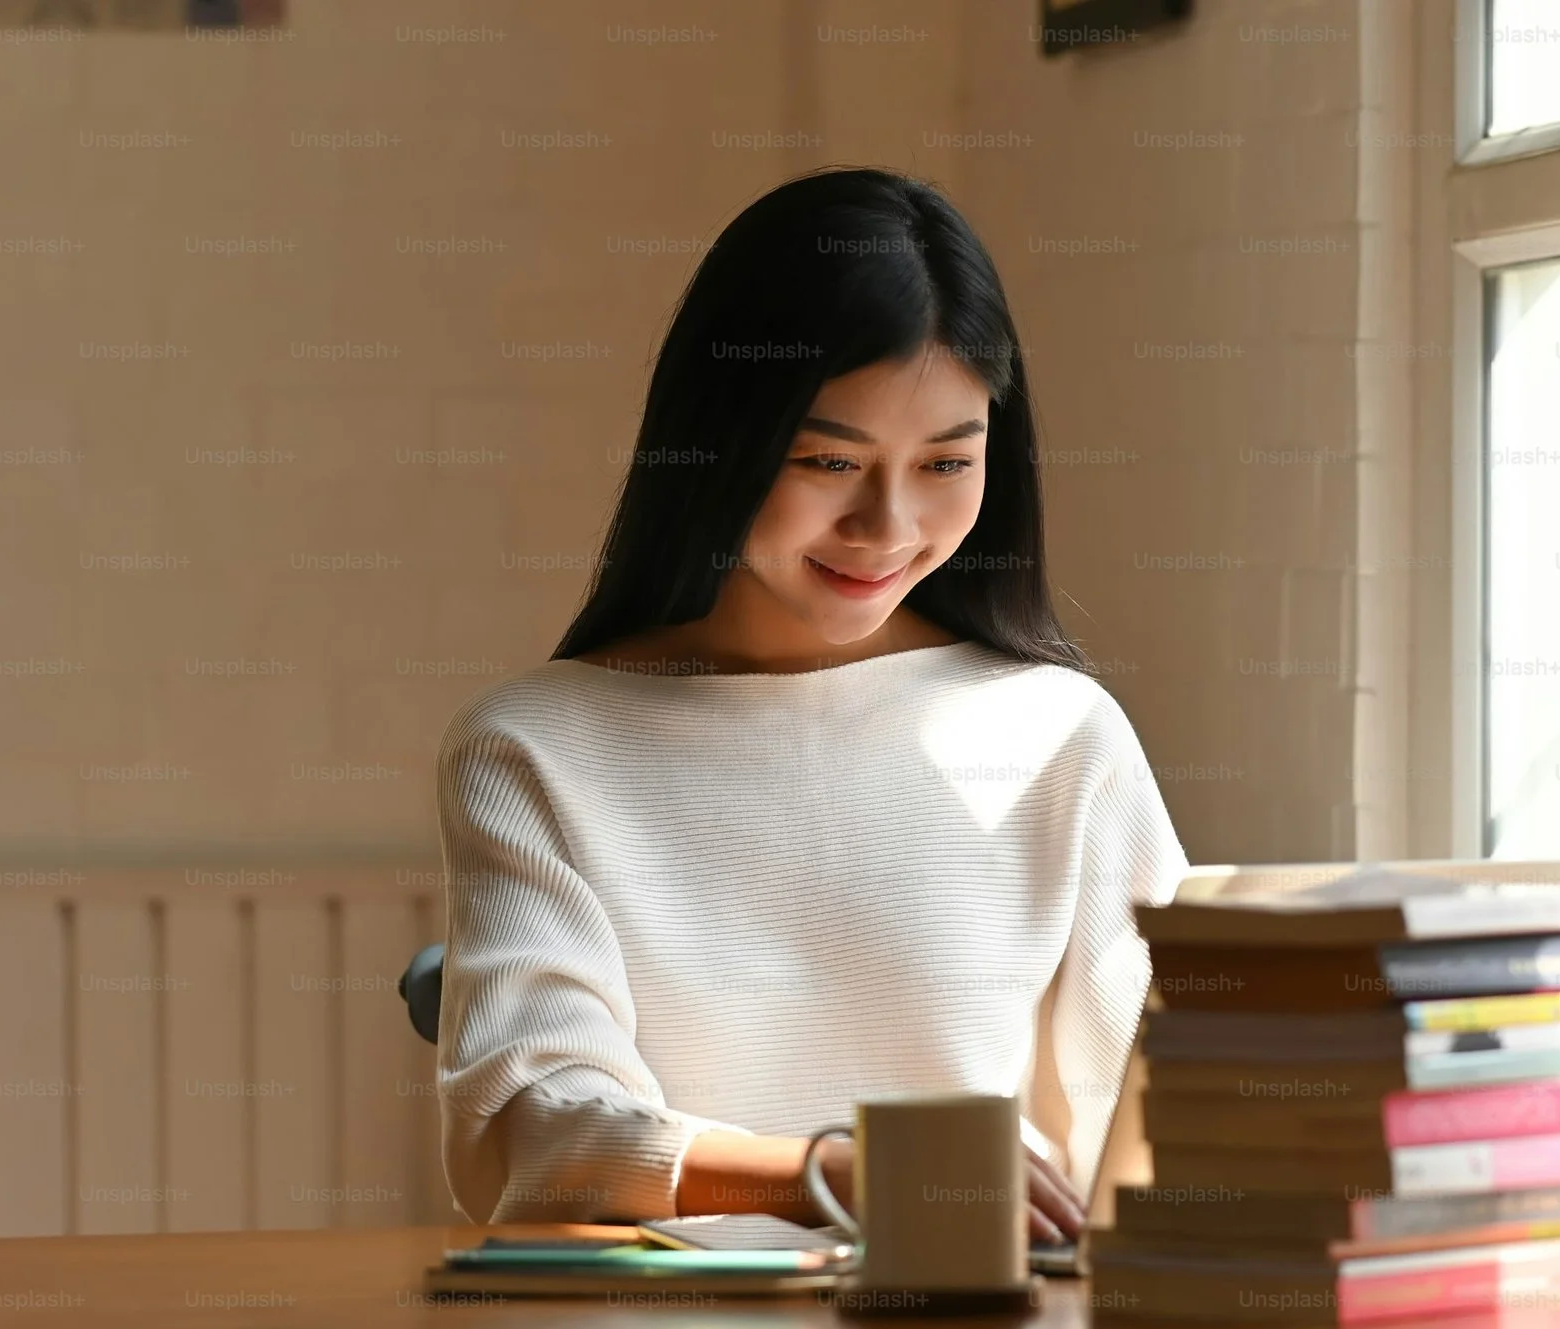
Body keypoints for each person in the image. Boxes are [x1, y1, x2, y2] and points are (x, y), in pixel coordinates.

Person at [434, 167, 1188, 1247]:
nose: (886, 524)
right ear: (723, 439)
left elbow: (1166, 1115)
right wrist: (834, 1175)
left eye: (945, 462)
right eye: (828, 459)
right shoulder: (536, 746)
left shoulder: (1058, 737)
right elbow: (533, 1133)